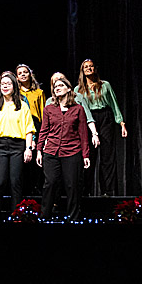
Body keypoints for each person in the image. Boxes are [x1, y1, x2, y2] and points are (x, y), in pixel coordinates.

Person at [37, 75, 91, 220]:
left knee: (72, 186)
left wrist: (85, 155)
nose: (57, 88)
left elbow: (83, 133)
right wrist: (39, 150)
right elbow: (44, 130)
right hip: (51, 151)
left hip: (72, 151)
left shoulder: (78, 109)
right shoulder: (49, 109)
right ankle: (44, 216)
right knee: (50, 183)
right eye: (55, 87)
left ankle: (73, 217)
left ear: (68, 89)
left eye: (60, 86)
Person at [0, 71, 36, 219]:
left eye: (8, 83)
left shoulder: (22, 105)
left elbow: (29, 129)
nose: (5, 86)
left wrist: (28, 148)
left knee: (16, 182)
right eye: (3, 84)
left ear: (14, 85)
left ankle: (17, 216)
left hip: (17, 146)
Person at [76, 59, 126, 196]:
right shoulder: (78, 90)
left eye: (91, 66)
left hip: (105, 118)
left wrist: (121, 123)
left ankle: (107, 191)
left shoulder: (105, 85)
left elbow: (114, 104)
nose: (89, 68)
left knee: (107, 156)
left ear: (95, 69)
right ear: (82, 71)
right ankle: (85, 191)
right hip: (88, 120)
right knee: (88, 156)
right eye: (86, 67)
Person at [16, 63, 45, 196]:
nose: (23, 74)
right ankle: (23, 189)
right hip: (20, 125)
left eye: (25, 72)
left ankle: (36, 187)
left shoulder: (39, 93)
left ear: (30, 74)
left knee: (35, 157)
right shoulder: (16, 93)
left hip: (35, 124)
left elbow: (43, 113)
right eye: (20, 73)